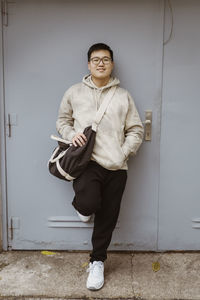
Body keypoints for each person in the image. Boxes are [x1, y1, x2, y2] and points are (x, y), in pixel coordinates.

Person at [56, 43, 144, 290]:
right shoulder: (74, 92)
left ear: (112, 64)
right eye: (96, 60)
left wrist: (123, 152)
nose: (101, 63)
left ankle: (97, 262)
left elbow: (136, 130)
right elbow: (62, 121)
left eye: (105, 59)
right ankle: (82, 208)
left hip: (116, 166)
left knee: (108, 216)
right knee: (90, 203)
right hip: (86, 163)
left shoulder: (123, 95)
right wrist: (71, 134)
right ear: (89, 64)